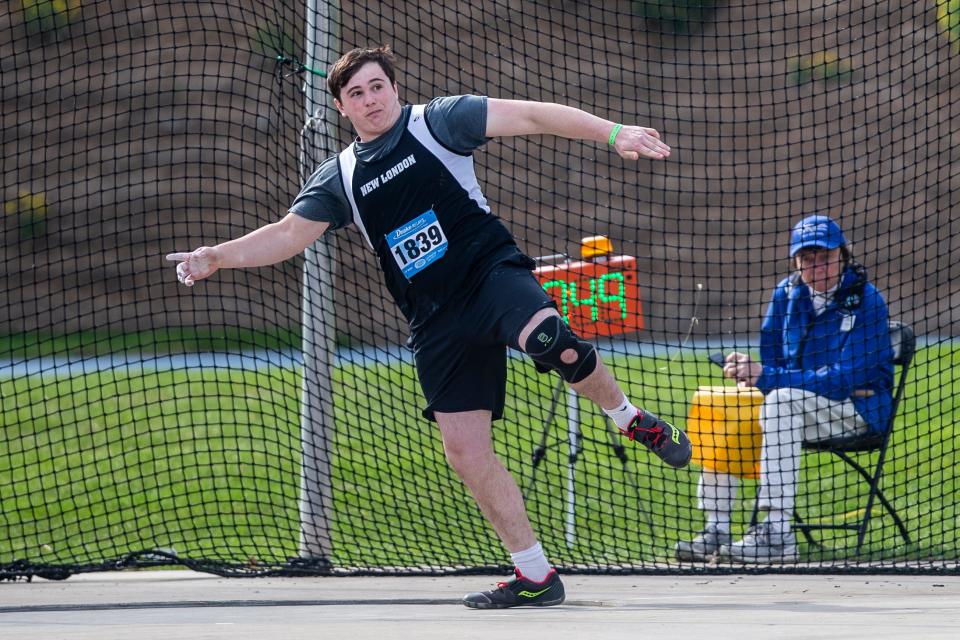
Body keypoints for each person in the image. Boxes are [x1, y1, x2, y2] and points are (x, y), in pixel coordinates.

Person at [167, 45, 691, 607]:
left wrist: (614, 134)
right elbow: (287, 234)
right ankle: (536, 576)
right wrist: (217, 256)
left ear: (394, 86)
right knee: (464, 452)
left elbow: (534, 115)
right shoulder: (339, 177)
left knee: (548, 339)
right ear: (342, 108)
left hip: (491, 274)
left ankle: (630, 418)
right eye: (356, 94)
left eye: (376, 86)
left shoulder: (441, 121)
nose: (370, 99)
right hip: (435, 319)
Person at [675, 214, 893, 563]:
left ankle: (778, 534)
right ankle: (716, 528)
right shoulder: (786, 293)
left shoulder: (866, 300)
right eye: (807, 259)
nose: (817, 267)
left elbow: (843, 381)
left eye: (825, 256)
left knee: (780, 401)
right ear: (796, 262)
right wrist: (749, 370)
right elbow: (771, 360)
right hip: (797, 404)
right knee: (718, 402)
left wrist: (770, 377)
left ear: (844, 255)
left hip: (859, 410)